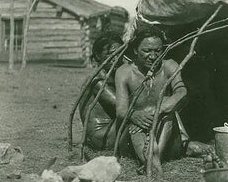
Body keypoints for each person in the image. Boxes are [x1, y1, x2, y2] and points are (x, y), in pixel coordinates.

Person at [115, 28, 187, 169]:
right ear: (135, 50)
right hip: (136, 131)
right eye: (147, 51)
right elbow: (121, 110)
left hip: (164, 130)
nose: (153, 56)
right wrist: (134, 115)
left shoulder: (169, 66)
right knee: (135, 121)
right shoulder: (124, 72)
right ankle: (150, 161)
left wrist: (159, 109)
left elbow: (182, 92)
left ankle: (153, 160)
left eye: (158, 51)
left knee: (168, 109)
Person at [79, 33, 127, 152]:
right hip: (100, 136)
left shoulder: (115, 76)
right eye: (111, 54)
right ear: (98, 56)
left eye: (120, 53)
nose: (117, 58)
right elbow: (122, 105)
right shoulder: (96, 80)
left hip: (112, 129)